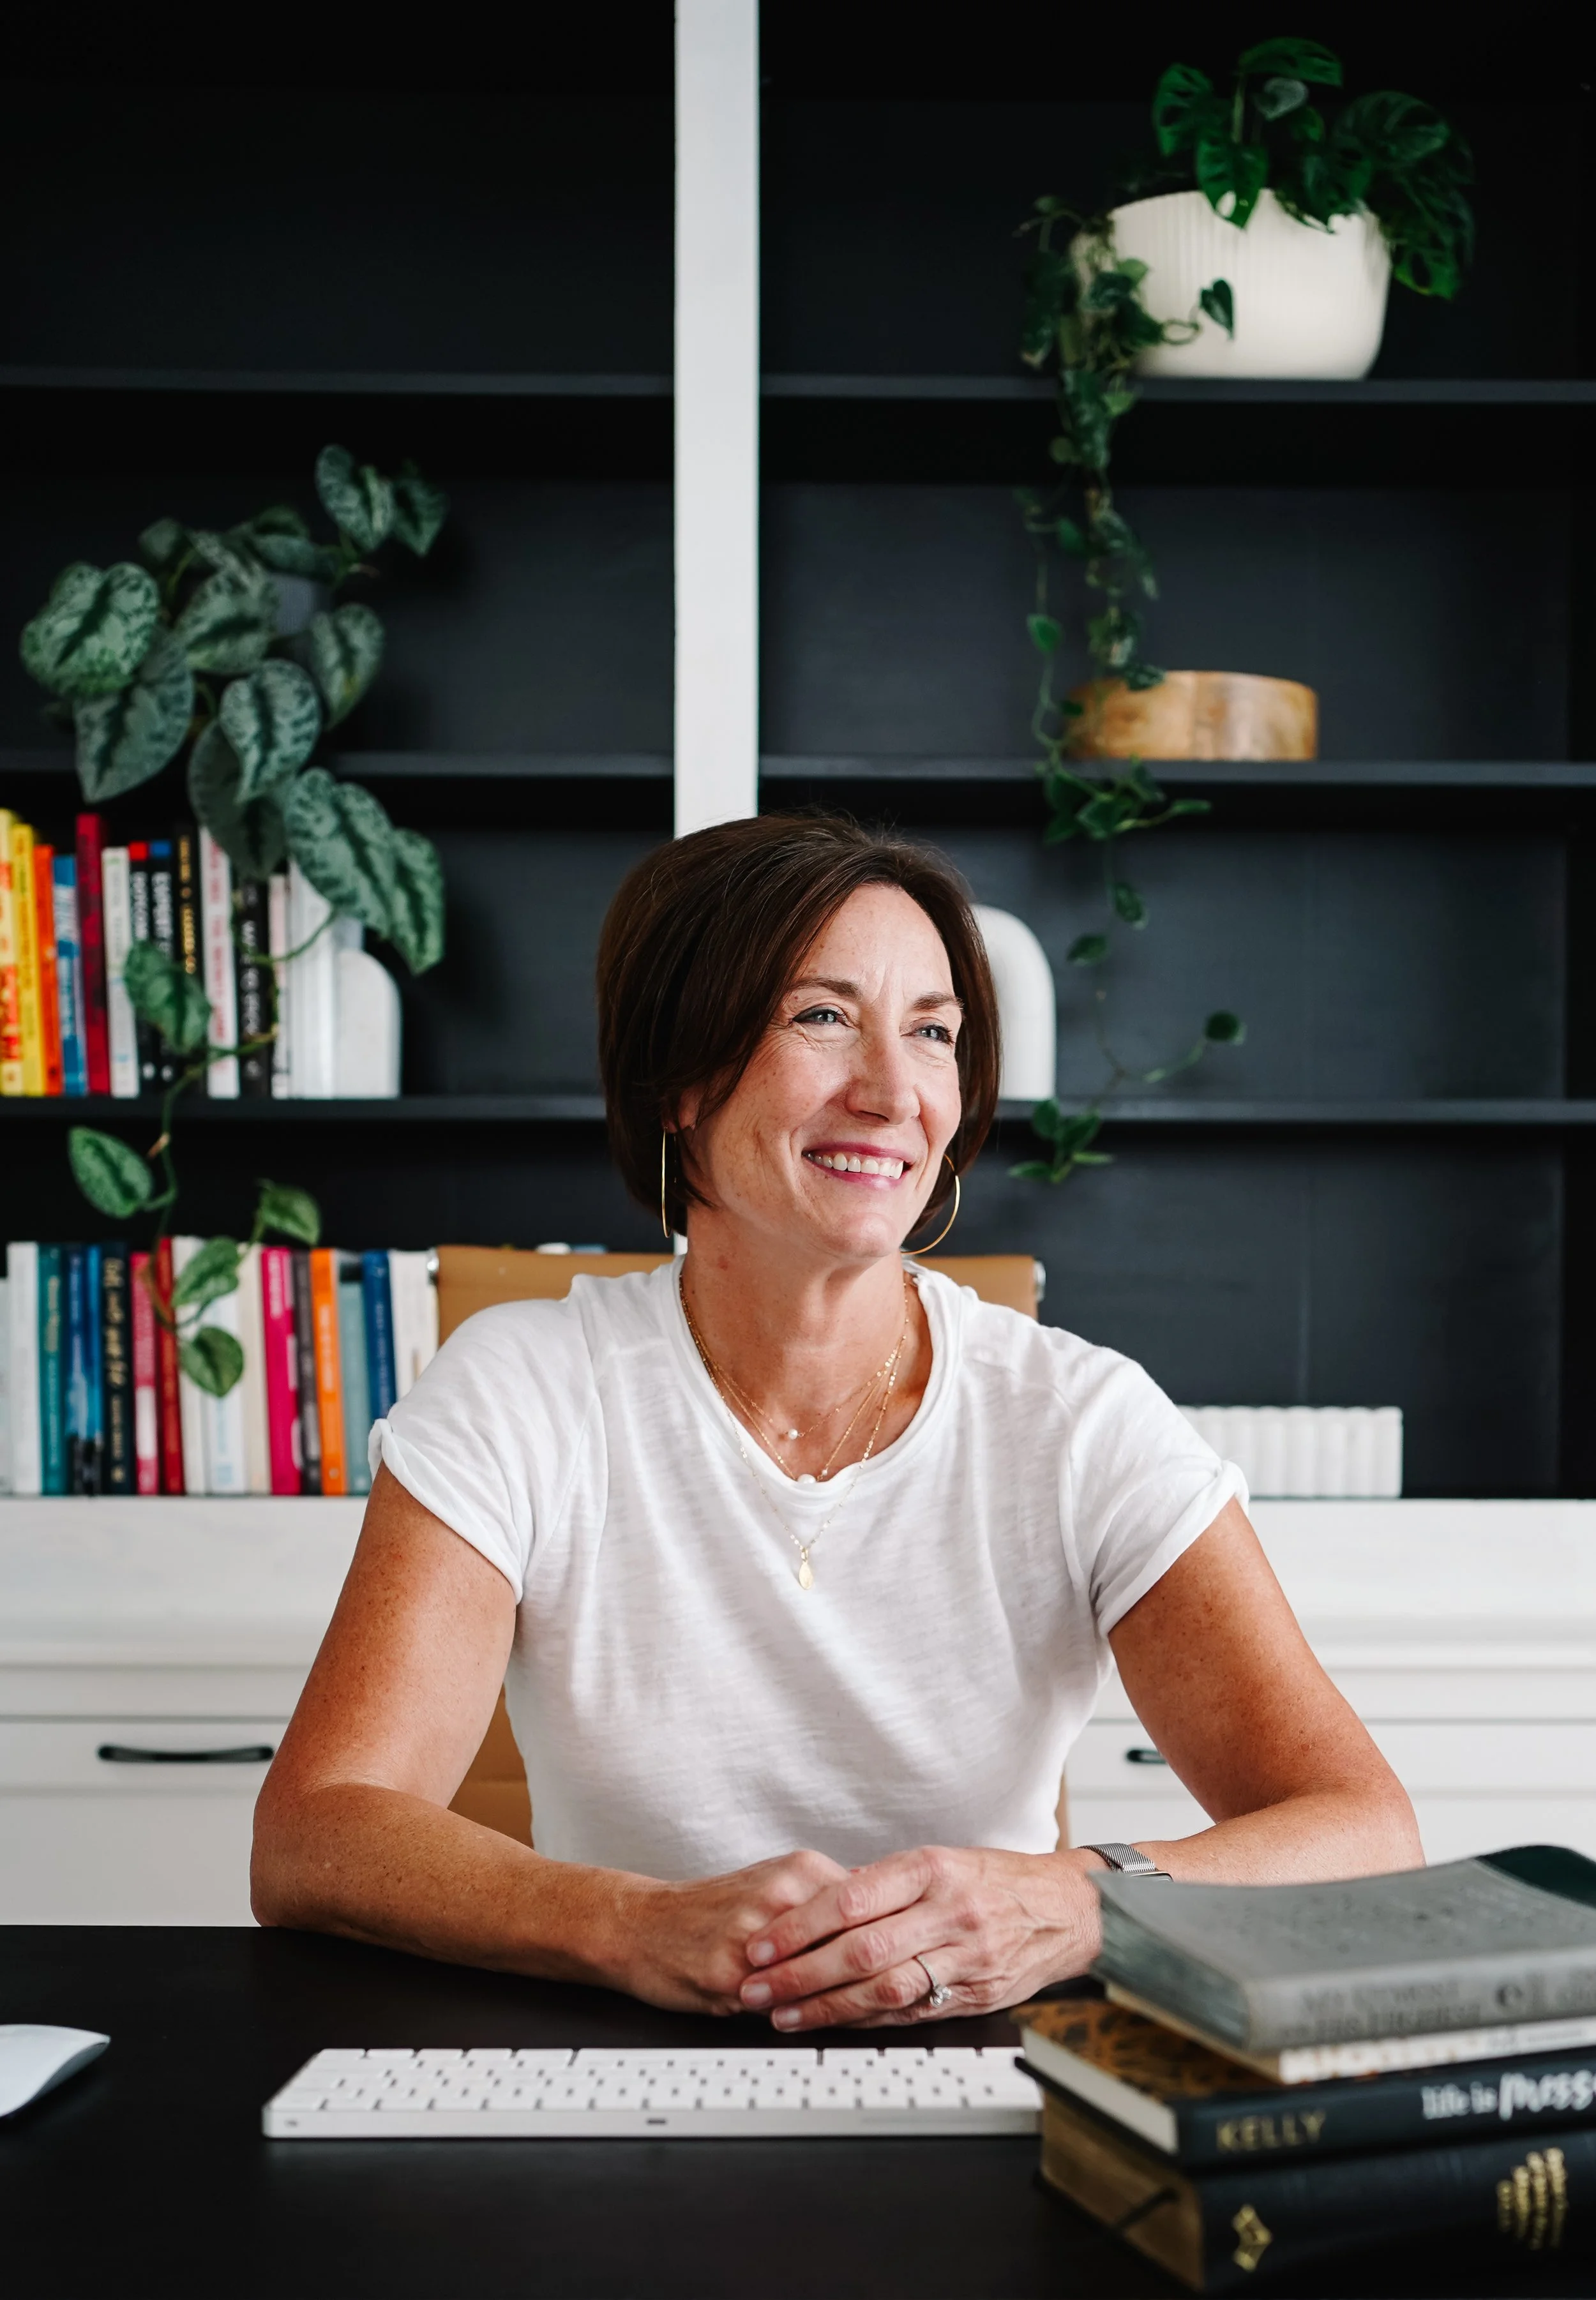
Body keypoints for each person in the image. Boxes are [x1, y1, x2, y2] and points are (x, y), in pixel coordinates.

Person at [252, 814, 1419, 2029]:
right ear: (679, 1078)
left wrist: (1082, 1902)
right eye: (822, 1017)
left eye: (932, 1032)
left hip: (990, 2069)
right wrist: (630, 1921)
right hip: (622, 2067)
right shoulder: (527, 1386)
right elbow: (314, 1831)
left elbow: (1364, 1828)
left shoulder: (1079, 1418)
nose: (893, 1091)